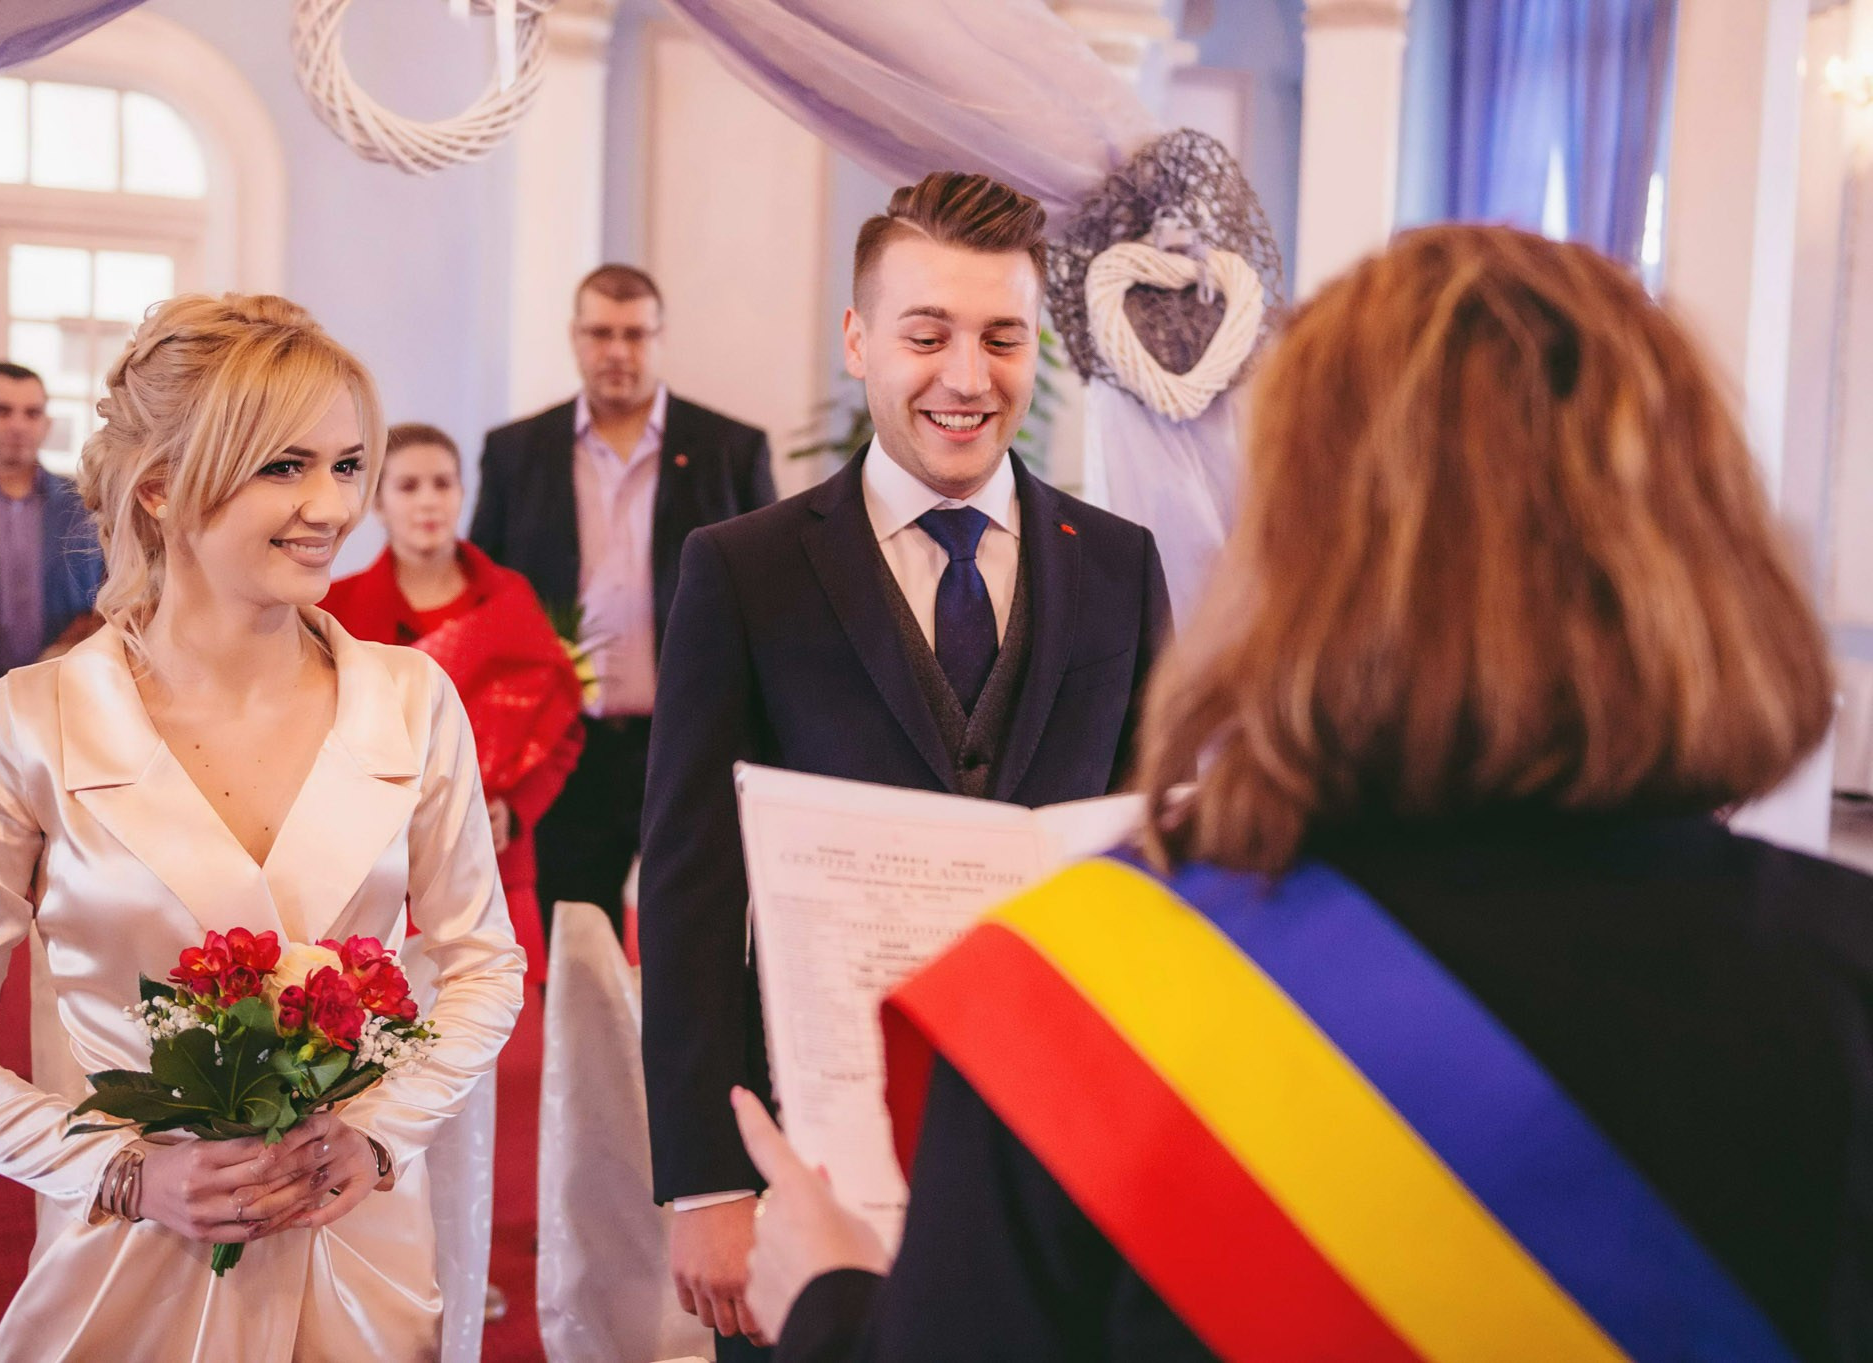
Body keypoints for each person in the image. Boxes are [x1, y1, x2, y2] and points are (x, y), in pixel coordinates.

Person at [733, 225, 1873, 1363]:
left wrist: (832, 1304)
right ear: (1702, 536)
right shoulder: (1842, 978)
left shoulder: (1091, 1011)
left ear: (1293, 549)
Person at [0, 294, 527, 1362]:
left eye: (346, 463)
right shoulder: (24, 727)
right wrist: (124, 1170)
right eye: (283, 466)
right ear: (161, 486)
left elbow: (481, 964)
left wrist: (377, 1131)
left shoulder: (410, 701)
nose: (330, 506)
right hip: (126, 1268)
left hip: (353, 1252)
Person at [638, 171, 1172, 1360]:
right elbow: (686, 892)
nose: (966, 378)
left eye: (1001, 338)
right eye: (926, 334)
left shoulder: (1120, 569)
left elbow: (1155, 873)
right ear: (858, 339)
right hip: (817, 1159)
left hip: (1061, 1150)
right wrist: (705, 1179)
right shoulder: (744, 570)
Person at [471, 264, 776, 942]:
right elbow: (484, 605)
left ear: (660, 338)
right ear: (575, 338)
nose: (616, 351)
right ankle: (580, 1057)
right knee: (575, 939)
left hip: (687, 740)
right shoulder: (516, 452)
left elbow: (771, 606)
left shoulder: (730, 450)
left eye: (634, 334)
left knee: (695, 933)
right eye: (600, 332)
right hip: (565, 745)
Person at [324, 421, 585, 985]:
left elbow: (561, 731)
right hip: (377, 868)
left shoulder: (509, 597)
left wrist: (514, 812)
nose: (428, 502)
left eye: (442, 484)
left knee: (482, 1045)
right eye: (408, 486)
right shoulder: (336, 608)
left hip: (491, 860)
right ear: (376, 502)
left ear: (463, 494)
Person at [0, 360, 105, 694]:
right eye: (2, 411)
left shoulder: (85, 505)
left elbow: (108, 594)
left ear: (45, 424)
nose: (18, 425)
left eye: (32, 413)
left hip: (60, 692)